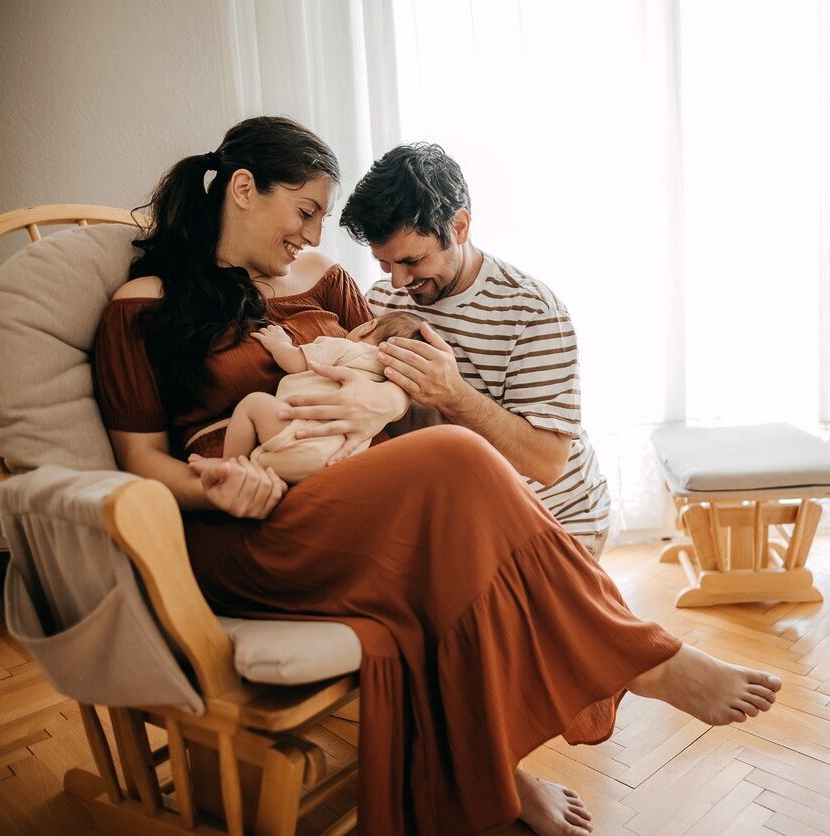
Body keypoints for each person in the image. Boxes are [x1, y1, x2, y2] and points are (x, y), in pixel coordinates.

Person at [92, 115, 781, 836]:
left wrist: (382, 402)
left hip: (365, 497)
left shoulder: (330, 285)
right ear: (242, 190)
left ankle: (501, 768)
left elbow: (390, 383)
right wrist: (220, 486)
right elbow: (140, 464)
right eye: (305, 213)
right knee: (454, 458)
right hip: (252, 526)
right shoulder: (142, 307)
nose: (315, 238)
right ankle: (638, 659)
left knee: (450, 502)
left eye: (322, 220)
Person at [337, 143, 610, 559]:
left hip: (554, 523)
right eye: (383, 262)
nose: (396, 282)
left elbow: (547, 463)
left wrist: (452, 394)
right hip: (463, 519)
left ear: (459, 227)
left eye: (411, 260)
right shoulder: (380, 302)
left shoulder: (531, 311)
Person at [188, 311, 425, 483]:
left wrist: (279, 342)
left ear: (367, 326)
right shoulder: (388, 379)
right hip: (338, 461)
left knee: (253, 404)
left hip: (299, 437)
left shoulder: (345, 347)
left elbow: (294, 362)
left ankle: (232, 463)